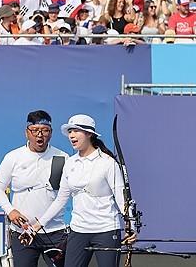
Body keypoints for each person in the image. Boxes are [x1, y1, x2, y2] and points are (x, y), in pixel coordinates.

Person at [37, 114, 137, 267]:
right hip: (78, 229)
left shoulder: (107, 162)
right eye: (70, 131)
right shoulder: (70, 163)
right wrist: (38, 225)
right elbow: (61, 200)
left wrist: (132, 226)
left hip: (106, 229)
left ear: (89, 134)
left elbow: (121, 198)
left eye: (76, 131)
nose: (72, 135)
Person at [0, 110, 69, 267]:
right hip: (23, 232)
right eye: (35, 130)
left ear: (51, 133)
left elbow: (64, 196)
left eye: (45, 130)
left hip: (54, 231)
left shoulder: (62, 157)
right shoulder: (13, 157)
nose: (39, 135)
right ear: (27, 133)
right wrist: (10, 210)